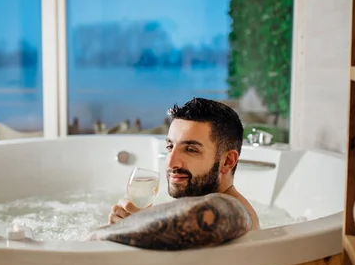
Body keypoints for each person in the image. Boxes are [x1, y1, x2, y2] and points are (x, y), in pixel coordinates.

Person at [109, 97, 260, 230]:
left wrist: (141, 225)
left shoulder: (229, 215)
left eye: (190, 149)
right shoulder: (204, 209)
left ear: (227, 161)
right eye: (170, 147)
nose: (171, 162)